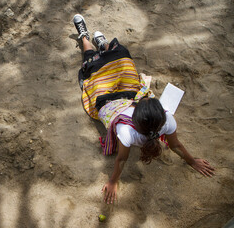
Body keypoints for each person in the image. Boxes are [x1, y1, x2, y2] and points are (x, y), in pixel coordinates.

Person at [72, 14, 215, 204]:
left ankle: (85, 38)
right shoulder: (167, 120)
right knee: (124, 60)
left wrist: (113, 181)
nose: (144, 97)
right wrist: (191, 161)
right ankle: (104, 44)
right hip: (128, 93)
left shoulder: (126, 131)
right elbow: (175, 145)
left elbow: (121, 160)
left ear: (135, 116)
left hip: (107, 101)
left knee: (92, 66)